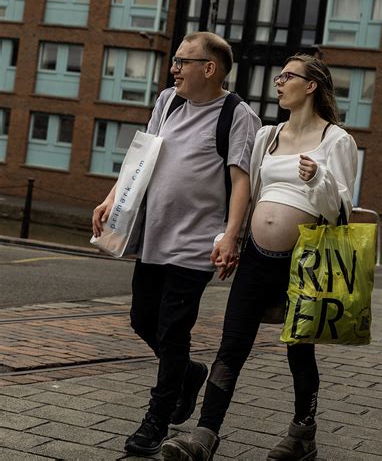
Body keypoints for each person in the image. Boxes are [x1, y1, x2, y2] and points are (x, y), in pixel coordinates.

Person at [160, 53, 358, 461]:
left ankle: (302, 435)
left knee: (299, 350)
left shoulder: (337, 140)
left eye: (288, 76)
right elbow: (249, 195)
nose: (278, 83)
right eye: (278, 76)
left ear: (311, 86)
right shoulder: (268, 135)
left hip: (305, 263)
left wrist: (318, 178)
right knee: (231, 346)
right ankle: (204, 435)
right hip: (256, 257)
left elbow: (343, 209)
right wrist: (230, 239)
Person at [91, 31, 261, 456]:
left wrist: (231, 236)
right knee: (142, 318)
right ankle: (187, 374)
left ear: (210, 68)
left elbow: (242, 182)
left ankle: (157, 418)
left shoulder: (238, 115)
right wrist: (112, 197)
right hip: (154, 234)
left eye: (183, 62)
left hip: (198, 243)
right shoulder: (168, 101)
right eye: (175, 62)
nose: (174, 68)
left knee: (172, 330)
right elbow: (140, 158)